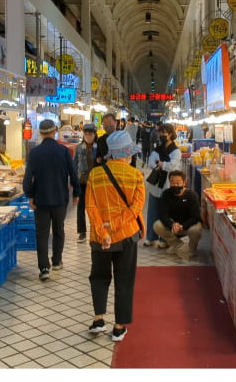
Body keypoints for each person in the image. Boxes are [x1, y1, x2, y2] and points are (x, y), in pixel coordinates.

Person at [85, 128, 145, 342]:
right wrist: (115, 227)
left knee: (99, 277)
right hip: (127, 236)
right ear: (126, 154)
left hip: (100, 239)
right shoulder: (136, 176)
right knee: (124, 279)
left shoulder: (95, 174)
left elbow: (90, 208)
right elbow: (136, 209)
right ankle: (119, 327)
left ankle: (98, 319)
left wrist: (104, 231)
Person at [24, 117, 82, 281]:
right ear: (55, 131)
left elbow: (28, 178)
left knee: (42, 234)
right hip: (59, 199)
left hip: (40, 200)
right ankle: (56, 261)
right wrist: (76, 193)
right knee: (58, 231)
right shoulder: (63, 151)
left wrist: (30, 195)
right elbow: (73, 173)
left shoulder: (34, 153)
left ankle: (44, 268)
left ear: (41, 134)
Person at [152, 167, 204, 258]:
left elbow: (195, 217)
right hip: (173, 226)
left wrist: (182, 226)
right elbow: (163, 214)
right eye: (172, 182)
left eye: (178, 182)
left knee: (196, 229)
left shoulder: (192, 195)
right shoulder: (166, 194)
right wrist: (172, 224)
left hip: (187, 225)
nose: (175, 185)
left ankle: (192, 248)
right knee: (157, 225)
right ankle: (178, 245)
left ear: (184, 183)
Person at [142, 124, 180, 244]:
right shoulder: (157, 149)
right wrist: (162, 165)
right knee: (152, 212)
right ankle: (151, 237)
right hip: (155, 185)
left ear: (170, 134)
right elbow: (151, 163)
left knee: (166, 214)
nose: (161, 135)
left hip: (169, 185)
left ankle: (164, 239)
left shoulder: (176, 151)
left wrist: (161, 164)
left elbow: (172, 165)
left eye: (164, 133)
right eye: (160, 133)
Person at [73, 125, 98, 239]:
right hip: (82, 181)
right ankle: (82, 232)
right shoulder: (79, 148)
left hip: (95, 182)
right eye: (86, 133)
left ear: (94, 134)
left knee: (96, 207)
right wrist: (74, 180)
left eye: (90, 134)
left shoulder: (99, 148)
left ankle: (96, 227)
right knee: (81, 207)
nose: (88, 136)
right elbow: (74, 164)